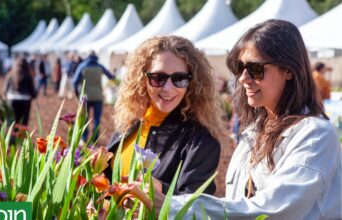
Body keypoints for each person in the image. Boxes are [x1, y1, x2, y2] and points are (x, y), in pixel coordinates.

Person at [152, 19, 341, 219]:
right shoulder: (254, 132)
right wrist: (162, 195)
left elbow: (272, 210)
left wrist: (170, 206)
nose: (243, 78)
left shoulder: (314, 135)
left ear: (288, 70)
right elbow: (239, 205)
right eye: (239, 67)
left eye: (255, 68)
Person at [106, 36, 227, 195]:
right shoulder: (129, 125)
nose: (168, 88)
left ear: (191, 82)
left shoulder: (200, 142)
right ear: (143, 78)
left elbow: (195, 206)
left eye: (179, 79)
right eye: (158, 78)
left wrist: (158, 190)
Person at [72, 51, 115, 141]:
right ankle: (94, 139)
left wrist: (77, 94)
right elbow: (111, 76)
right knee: (97, 119)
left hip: (85, 97)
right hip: (98, 96)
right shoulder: (99, 66)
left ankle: (84, 138)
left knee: (84, 118)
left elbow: (74, 81)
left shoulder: (82, 66)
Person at [4, 57, 36, 125]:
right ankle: (22, 135)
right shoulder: (28, 76)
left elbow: (5, 90)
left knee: (13, 122)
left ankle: (13, 135)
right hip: (25, 100)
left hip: (11, 99)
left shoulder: (10, 75)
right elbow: (32, 91)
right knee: (24, 122)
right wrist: (34, 95)